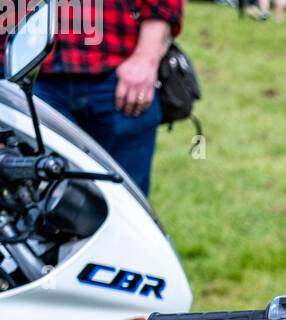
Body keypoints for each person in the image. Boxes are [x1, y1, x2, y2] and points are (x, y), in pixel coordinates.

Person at [31, 0, 183, 197]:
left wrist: (145, 59)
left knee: (125, 204)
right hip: (30, 78)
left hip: (119, 80)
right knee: (36, 204)